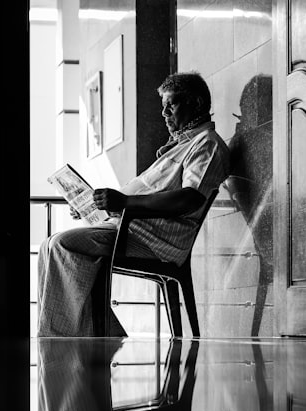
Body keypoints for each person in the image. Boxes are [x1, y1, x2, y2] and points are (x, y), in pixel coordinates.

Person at [37, 71, 231, 337]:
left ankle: (62, 337)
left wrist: (125, 201)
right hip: (127, 227)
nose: (164, 113)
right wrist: (94, 204)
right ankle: (98, 332)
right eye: (163, 106)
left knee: (62, 244)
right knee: (48, 245)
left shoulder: (207, 144)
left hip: (152, 239)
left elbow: (190, 197)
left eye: (171, 105)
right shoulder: (177, 147)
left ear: (196, 104)